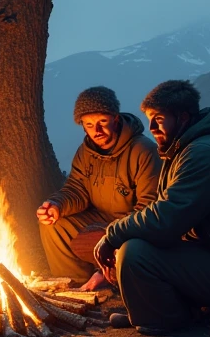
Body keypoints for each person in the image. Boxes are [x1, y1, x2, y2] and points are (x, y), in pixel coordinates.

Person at [94, 79, 210, 335]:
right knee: (138, 242)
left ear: (183, 117)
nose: (152, 127)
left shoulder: (205, 152)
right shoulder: (186, 148)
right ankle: (152, 311)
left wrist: (113, 234)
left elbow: (166, 219)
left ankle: (165, 319)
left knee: (134, 253)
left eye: (158, 118)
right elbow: (167, 214)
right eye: (149, 119)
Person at [36, 86, 161, 288]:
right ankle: (74, 285)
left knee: (131, 238)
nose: (97, 130)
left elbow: (149, 208)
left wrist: (115, 235)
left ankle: (110, 280)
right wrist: (56, 205)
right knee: (53, 225)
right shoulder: (86, 152)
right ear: (83, 126)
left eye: (102, 122)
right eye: (89, 124)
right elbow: (77, 189)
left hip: (131, 223)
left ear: (115, 119)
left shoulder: (143, 151)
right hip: (99, 218)